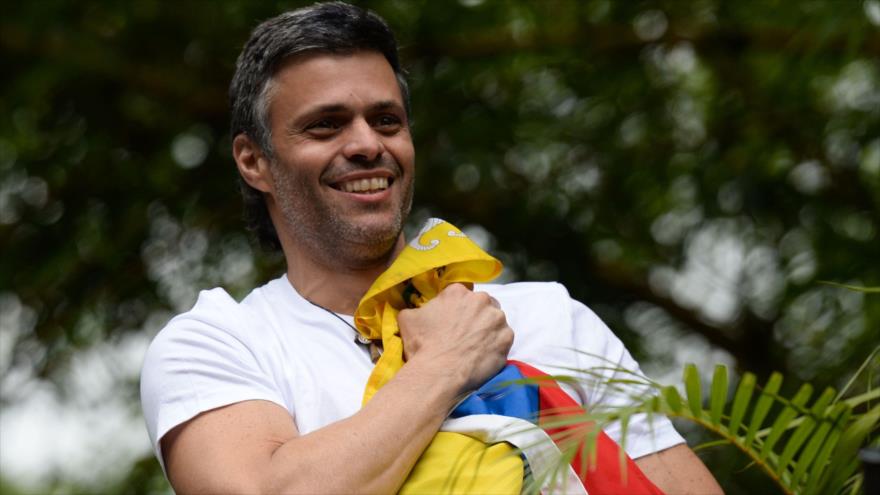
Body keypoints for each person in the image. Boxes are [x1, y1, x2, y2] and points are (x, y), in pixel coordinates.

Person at [140, 2, 724, 493]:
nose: (367, 144)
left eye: (387, 120)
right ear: (254, 161)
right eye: (327, 125)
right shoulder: (220, 343)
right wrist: (449, 363)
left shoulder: (549, 318)